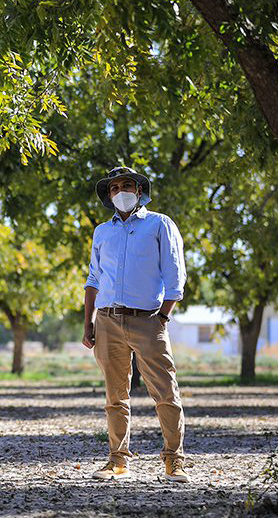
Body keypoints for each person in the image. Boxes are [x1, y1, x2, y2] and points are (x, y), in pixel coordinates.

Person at [83, 166, 189, 483]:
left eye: (126, 185)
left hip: (148, 320)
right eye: (113, 188)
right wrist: (87, 321)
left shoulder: (159, 224)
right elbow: (93, 279)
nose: (120, 192)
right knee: (115, 397)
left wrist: (163, 316)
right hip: (107, 321)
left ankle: (175, 460)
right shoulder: (103, 231)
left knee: (165, 393)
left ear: (139, 191)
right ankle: (118, 460)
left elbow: (176, 275)